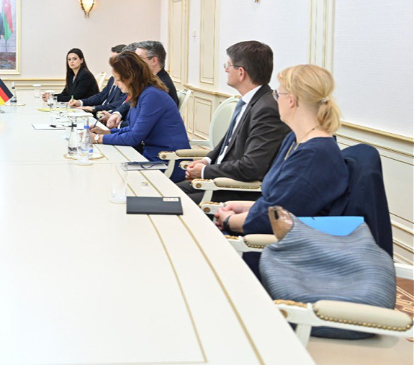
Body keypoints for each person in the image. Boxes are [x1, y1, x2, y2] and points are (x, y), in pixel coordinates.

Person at [214, 64, 348, 235]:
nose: (275, 100)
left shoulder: (314, 154)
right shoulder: (294, 139)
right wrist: (243, 206)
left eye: (278, 94)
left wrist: (228, 221)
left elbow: (274, 218)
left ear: (291, 100)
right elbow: (279, 203)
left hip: (280, 244)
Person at [179, 41, 289, 203]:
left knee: (173, 203)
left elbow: (252, 167)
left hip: (236, 189)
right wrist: (207, 160)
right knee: (165, 193)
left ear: (241, 72)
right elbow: (228, 142)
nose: (226, 69)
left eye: (228, 65)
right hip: (220, 180)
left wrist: (205, 171)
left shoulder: (266, 109)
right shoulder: (250, 102)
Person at [91, 51, 190, 181]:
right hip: (152, 156)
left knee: (109, 174)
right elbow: (134, 128)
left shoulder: (151, 95)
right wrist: (107, 132)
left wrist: (98, 138)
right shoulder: (141, 93)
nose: (115, 83)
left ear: (130, 77)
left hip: (166, 161)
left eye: (118, 79)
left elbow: (134, 137)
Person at [101, 40, 178, 129]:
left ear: (154, 60)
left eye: (139, 58)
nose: (135, 63)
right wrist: (117, 114)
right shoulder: (150, 81)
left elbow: (143, 125)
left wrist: (117, 124)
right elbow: (132, 101)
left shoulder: (160, 87)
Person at [68, 44, 127, 114]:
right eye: (111, 59)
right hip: (101, 112)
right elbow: (101, 95)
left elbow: (119, 104)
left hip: (109, 114)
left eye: (115, 59)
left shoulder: (127, 82)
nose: (112, 63)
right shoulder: (112, 79)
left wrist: (94, 108)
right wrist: (80, 102)